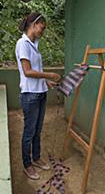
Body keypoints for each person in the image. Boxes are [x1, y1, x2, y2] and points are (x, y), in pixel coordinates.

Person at [15, 12, 61, 180]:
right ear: (34, 24)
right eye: (42, 27)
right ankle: (27, 165)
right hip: (30, 96)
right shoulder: (23, 44)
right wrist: (50, 75)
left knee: (38, 130)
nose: (43, 30)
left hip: (40, 93)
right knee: (29, 131)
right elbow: (27, 72)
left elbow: (36, 72)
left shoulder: (34, 44)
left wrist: (46, 83)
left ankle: (36, 158)